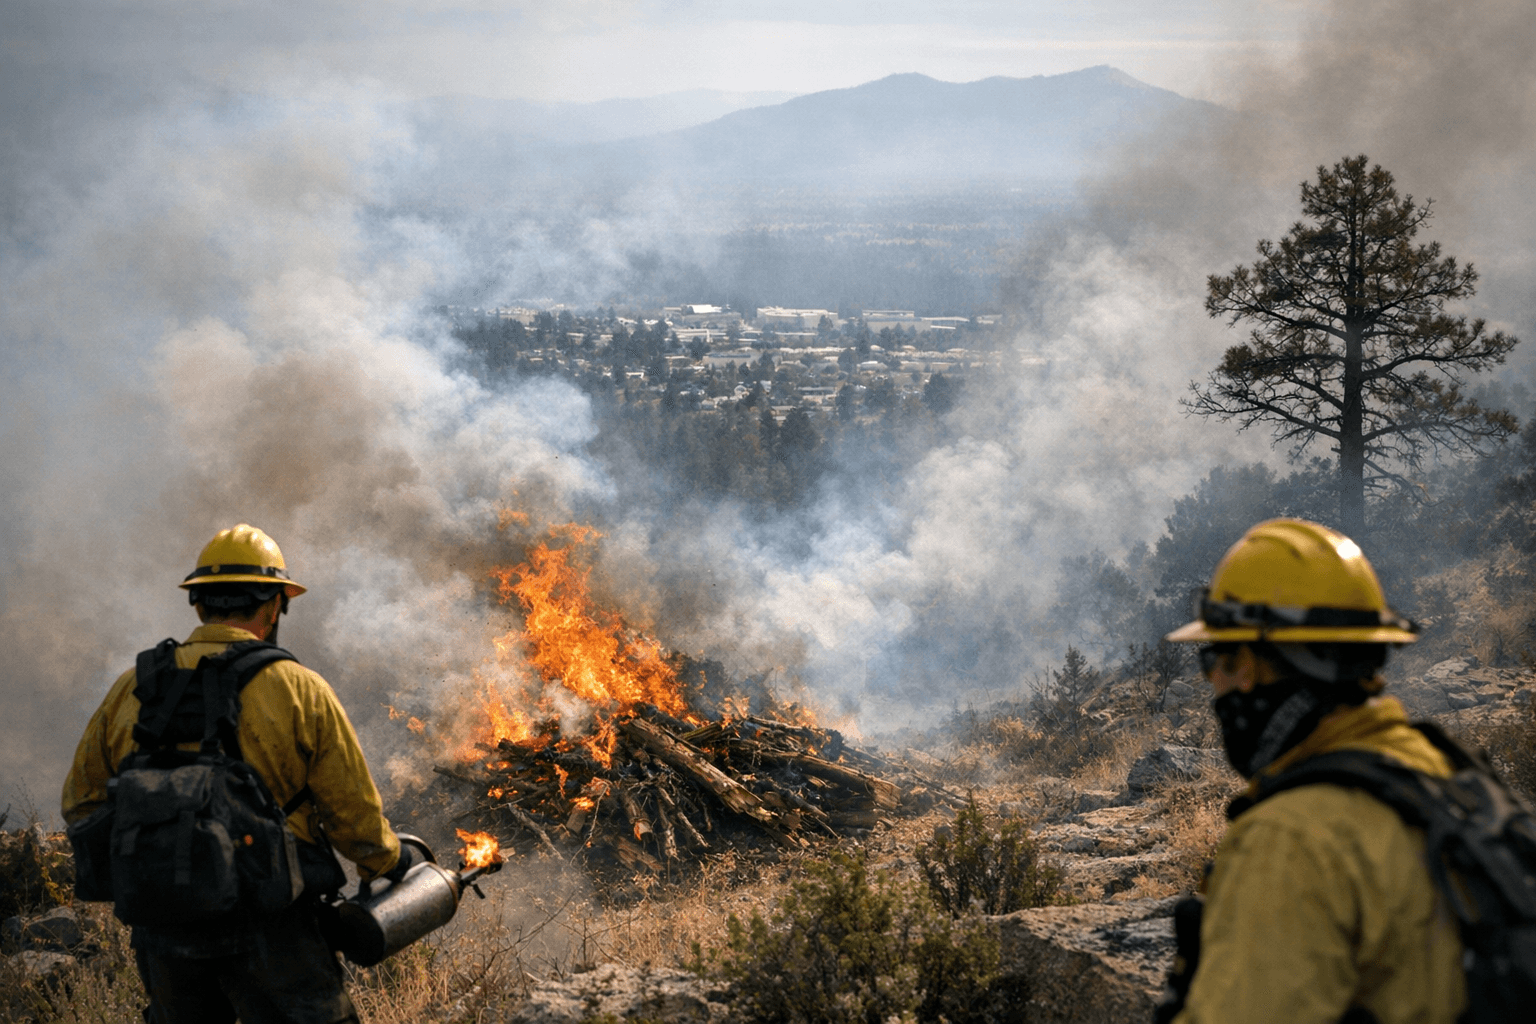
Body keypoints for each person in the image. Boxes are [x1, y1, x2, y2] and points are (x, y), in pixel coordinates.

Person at [62, 523, 421, 1024]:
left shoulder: (133, 688)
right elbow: (351, 813)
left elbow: (81, 803)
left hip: (163, 924)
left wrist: (153, 857)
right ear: (275, 606)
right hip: (272, 919)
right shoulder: (299, 688)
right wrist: (390, 861)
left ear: (199, 603)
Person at [1164, 517, 1465, 1024]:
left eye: (1216, 658)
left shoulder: (1291, 841)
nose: (1212, 678)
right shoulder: (1439, 770)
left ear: (1250, 666)